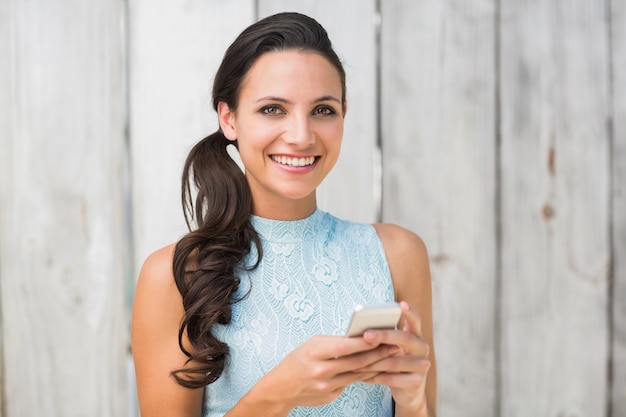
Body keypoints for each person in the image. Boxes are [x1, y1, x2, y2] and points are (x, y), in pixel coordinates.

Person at [131, 11, 437, 417]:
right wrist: (280, 391)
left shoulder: (398, 254)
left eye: (323, 110)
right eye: (273, 109)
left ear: (344, 114)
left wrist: (414, 400)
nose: (301, 135)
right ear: (229, 118)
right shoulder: (174, 275)